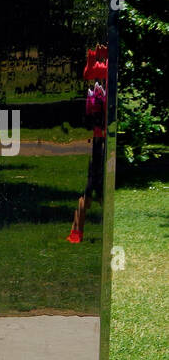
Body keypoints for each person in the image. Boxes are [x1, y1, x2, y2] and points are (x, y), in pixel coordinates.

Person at [69, 45, 108, 243]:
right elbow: (89, 72)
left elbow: (89, 72)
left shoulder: (101, 77)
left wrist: (96, 57)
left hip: (99, 141)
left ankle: (76, 233)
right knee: (92, 192)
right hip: (99, 142)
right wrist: (97, 57)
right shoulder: (101, 75)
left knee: (92, 192)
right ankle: (76, 233)